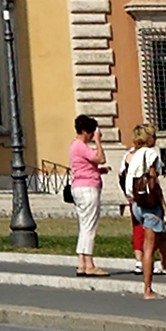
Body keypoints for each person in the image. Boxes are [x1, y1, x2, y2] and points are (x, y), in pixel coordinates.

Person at [125, 125, 166, 297]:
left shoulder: (132, 155)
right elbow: (154, 182)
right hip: (150, 205)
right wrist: (164, 207)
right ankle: (147, 289)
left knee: (162, 240)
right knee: (149, 246)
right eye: (153, 135)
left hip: (137, 203)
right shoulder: (151, 154)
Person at [70, 114, 107, 277]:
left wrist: (98, 171)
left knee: (84, 225)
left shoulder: (74, 146)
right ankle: (89, 263)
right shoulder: (81, 146)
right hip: (88, 188)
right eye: (91, 133)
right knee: (90, 226)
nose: (92, 136)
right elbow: (100, 158)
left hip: (79, 186)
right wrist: (98, 141)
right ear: (85, 131)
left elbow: (84, 165)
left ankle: (82, 263)